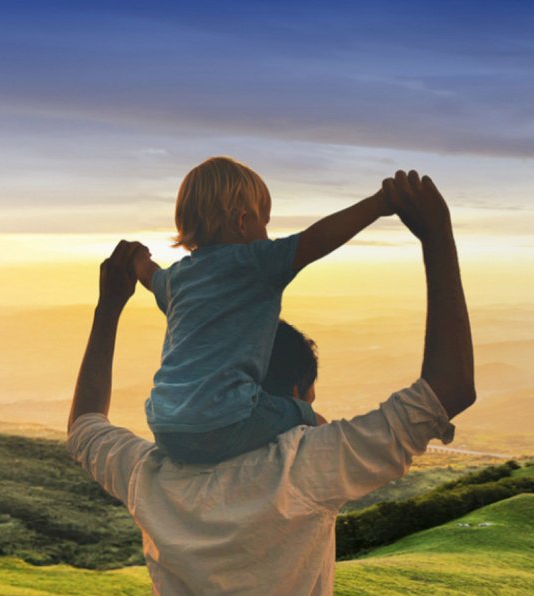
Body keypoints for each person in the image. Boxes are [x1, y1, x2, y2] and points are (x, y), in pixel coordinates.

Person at [67, 171, 474, 596]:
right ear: (297, 392)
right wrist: (436, 234)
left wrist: (109, 306)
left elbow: (84, 425)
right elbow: (449, 390)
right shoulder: (304, 470)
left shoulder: (148, 476)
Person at [133, 156, 412, 464]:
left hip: (164, 425)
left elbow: (150, 276)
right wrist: (379, 204)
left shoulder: (176, 278)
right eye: (264, 222)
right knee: (307, 416)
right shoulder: (256, 262)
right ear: (242, 223)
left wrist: (137, 258)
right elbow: (317, 239)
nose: (267, 233)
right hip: (224, 421)